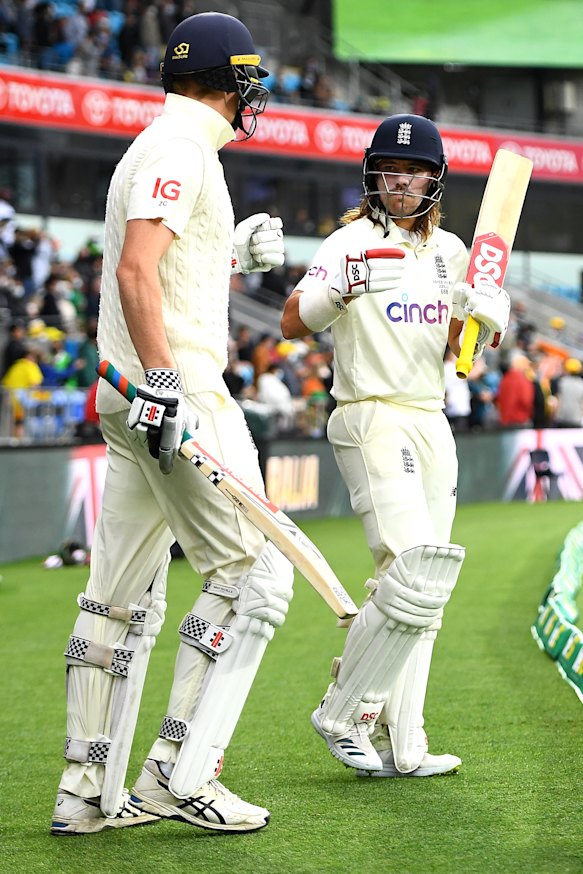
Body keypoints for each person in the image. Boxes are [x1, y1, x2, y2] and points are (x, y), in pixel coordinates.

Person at [51, 11, 294, 837]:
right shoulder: (182, 148)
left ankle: (85, 792)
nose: (251, 97)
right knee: (253, 577)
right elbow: (134, 269)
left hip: (130, 395)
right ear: (230, 84)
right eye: (249, 82)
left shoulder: (158, 142)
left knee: (116, 601)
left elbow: (166, 263)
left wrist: (233, 255)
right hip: (176, 390)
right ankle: (177, 776)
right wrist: (164, 381)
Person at [281, 114, 510, 779]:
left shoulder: (449, 252)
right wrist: (339, 290)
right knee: (411, 568)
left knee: (424, 587)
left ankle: (404, 745)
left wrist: (483, 316)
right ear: (371, 176)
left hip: (429, 417)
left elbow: (461, 347)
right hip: (368, 413)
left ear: (434, 180)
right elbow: (293, 319)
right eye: (388, 170)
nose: (399, 182)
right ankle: (342, 707)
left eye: (412, 172)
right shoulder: (349, 240)